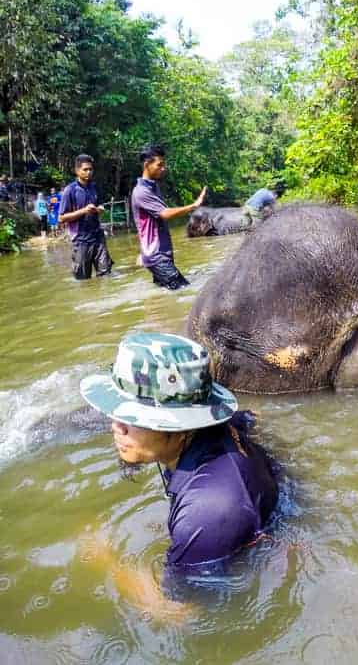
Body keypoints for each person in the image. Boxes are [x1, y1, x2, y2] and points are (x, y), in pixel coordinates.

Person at [80, 332, 278, 605]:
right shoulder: (218, 426)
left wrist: (103, 558)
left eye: (133, 416)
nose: (116, 425)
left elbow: (179, 612)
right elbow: (251, 417)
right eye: (117, 412)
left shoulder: (206, 512)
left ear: (181, 426)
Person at [131, 144, 206, 290]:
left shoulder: (153, 187)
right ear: (147, 164)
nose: (163, 168)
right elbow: (164, 213)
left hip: (160, 253)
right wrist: (193, 206)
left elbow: (145, 226)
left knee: (165, 294)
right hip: (157, 256)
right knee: (184, 290)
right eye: (159, 165)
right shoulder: (141, 192)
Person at [58, 154, 114, 279]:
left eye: (91, 169)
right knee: (83, 280)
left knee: (106, 276)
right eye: (85, 169)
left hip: (98, 237)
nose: (89, 172)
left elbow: (100, 204)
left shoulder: (94, 187)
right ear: (77, 171)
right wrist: (84, 211)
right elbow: (61, 218)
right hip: (81, 240)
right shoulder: (70, 190)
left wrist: (100, 209)